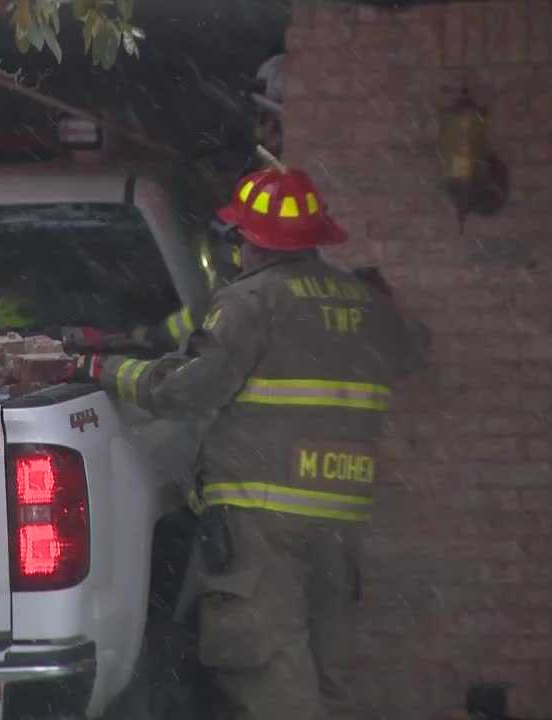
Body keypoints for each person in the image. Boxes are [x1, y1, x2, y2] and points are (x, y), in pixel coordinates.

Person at [66, 166, 428, 719]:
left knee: (266, 667)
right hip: (340, 515)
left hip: (263, 512)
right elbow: (410, 349)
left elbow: (184, 391)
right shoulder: (364, 304)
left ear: (251, 241)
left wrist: (103, 367)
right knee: (328, 667)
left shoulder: (252, 301)